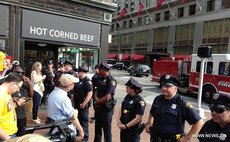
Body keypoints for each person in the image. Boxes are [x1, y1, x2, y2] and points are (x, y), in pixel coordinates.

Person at [145, 75, 204, 142]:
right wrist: (149, 123)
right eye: (163, 85)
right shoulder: (158, 99)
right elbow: (152, 112)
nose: (164, 88)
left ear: (175, 88)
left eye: (167, 86)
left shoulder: (182, 103)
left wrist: (187, 138)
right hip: (155, 139)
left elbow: (199, 123)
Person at [47, 73, 84, 141]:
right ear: (69, 86)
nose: (74, 85)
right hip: (64, 131)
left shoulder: (52, 93)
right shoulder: (64, 99)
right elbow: (73, 118)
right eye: (73, 84)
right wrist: (81, 130)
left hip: (54, 128)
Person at [93, 62, 117, 142]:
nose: (98, 70)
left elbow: (107, 97)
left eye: (100, 69)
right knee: (97, 129)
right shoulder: (99, 78)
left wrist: (97, 101)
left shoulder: (111, 80)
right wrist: (95, 97)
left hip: (106, 109)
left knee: (107, 130)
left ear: (104, 70)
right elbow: (96, 90)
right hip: (99, 108)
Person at [117, 78, 146, 142]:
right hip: (124, 128)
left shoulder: (140, 101)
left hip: (132, 131)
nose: (126, 88)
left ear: (132, 89)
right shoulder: (127, 96)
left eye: (127, 86)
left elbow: (138, 118)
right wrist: (118, 120)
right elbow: (122, 109)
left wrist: (126, 126)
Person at [0, 73, 25, 141]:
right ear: (13, 84)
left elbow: (6, 110)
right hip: (5, 135)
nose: (18, 90)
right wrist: (7, 138)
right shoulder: (1, 95)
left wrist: (17, 104)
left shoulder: (7, 93)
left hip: (9, 133)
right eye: (18, 87)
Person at [12, 67, 33, 136]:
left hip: (22, 114)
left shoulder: (24, 84)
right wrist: (12, 98)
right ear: (13, 72)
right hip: (12, 115)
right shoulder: (8, 83)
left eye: (22, 73)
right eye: (18, 72)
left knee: (22, 134)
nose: (20, 74)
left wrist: (29, 83)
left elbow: (31, 95)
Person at [74, 66, 93, 142]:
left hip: (83, 105)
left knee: (83, 121)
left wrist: (84, 103)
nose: (77, 73)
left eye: (78, 72)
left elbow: (90, 93)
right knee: (77, 119)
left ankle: (85, 138)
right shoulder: (79, 80)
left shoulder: (87, 81)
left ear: (82, 72)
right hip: (77, 103)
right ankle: (78, 135)